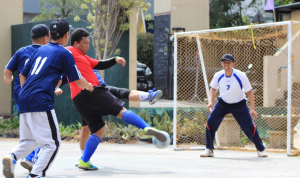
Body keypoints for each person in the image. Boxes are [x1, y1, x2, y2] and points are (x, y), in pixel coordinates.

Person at [64, 28, 168, 170]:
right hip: (92, 91)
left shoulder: (82, 56)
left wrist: (114, 59)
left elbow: (100, 64)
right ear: (75, 43)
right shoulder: (68, 50)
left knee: (98, 130)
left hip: (79, 100)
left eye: (89, 44)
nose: (87, 46)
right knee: (121, 110)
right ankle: (147, 128)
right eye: (85, 43)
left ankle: (84, 160)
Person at [2, 19, 93, 178]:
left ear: (50, 34)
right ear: (66, 35)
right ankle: (35, 175)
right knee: (52, 144)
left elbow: (22, 74)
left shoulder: (39, 50)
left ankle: (12, 157)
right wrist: (88, 86)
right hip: (40, 101)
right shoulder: (65, 53)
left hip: (24, 99)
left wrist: (27, 93)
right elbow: (77, 80)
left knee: (29, 142)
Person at [56, 68, 162, 170]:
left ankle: (149, 96)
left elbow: (101, 64)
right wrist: (56, 88)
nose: (86, 48)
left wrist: (115, 59)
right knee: (87, 129)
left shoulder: (85, 59)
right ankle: (83, 158)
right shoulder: (71, 64)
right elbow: (61, 78)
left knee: (123, 93)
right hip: (89, 94)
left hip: (99, 90)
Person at [200, 54, 267, 158]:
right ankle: (209, 149)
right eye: (224, 62)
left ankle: (261, 149)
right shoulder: (218, 75)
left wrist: (252, 109)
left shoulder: (241, 75)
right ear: (222, 64)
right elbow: (213, 89)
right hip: (223, 103)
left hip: (239, 104)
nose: (226, 64)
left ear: (233, 64)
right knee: (210, 122)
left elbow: (250, 92)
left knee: (249, 126)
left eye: (228, 62)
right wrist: (210, 102)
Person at [4, 24, 50, 172]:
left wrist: (9, 79)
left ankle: (13, 159)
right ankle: (30, 159)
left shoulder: (21, 51)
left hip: (20, 95)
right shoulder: (47, 52)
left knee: (27, 132)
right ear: (45, 38)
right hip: (36, 96)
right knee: (43, 133)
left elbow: (7, 71)